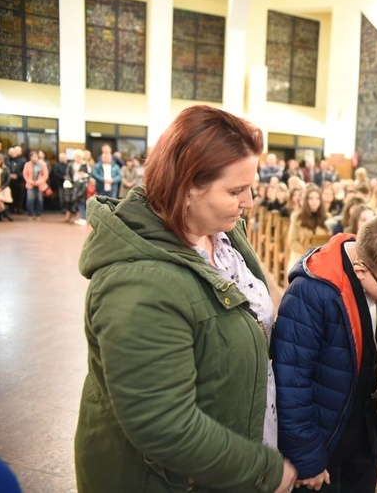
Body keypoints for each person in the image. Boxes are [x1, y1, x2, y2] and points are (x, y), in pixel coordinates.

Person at [74, 105, 297, 493]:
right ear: (188, 186)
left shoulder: (220, 230)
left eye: (250, 187)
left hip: (227, 458)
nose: (249, 202)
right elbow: (164, 424)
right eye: (235, 191)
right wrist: (265, 470)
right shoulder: (139, 285)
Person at [273, 211, 377, 492]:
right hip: (325, 440)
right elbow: (291, 383)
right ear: (361, 271)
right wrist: (307, 457)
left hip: (368, 434)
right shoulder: (312, 292)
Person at [285, 185, 330, 272]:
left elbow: (330, 241)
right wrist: (306, 252)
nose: (314, 201)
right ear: (306, 201)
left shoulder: (327, 217)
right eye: (311, 198)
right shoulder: (297, 217)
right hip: (301, 256)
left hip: (321, 258)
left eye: (317, 199)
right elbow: (292, 241)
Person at [23, 150, 49, 221]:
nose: (34, 158)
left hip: (40, 185)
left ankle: (38, 215)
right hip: (30, 185)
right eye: (33, 156)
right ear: (30, 157)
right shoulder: (27, 164)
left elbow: (45, 175)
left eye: (36, 156)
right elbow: (25, 174)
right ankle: (30, 214)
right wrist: (30, 181)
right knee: (30, 200)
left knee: (39, 200)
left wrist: (39, 181)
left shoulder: (42, 164)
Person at [0, 154, 13, 221]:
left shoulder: (5, 169)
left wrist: (2, 187)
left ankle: (1, 214)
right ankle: (5, 211)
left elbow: (8, 180)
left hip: (2, 188)